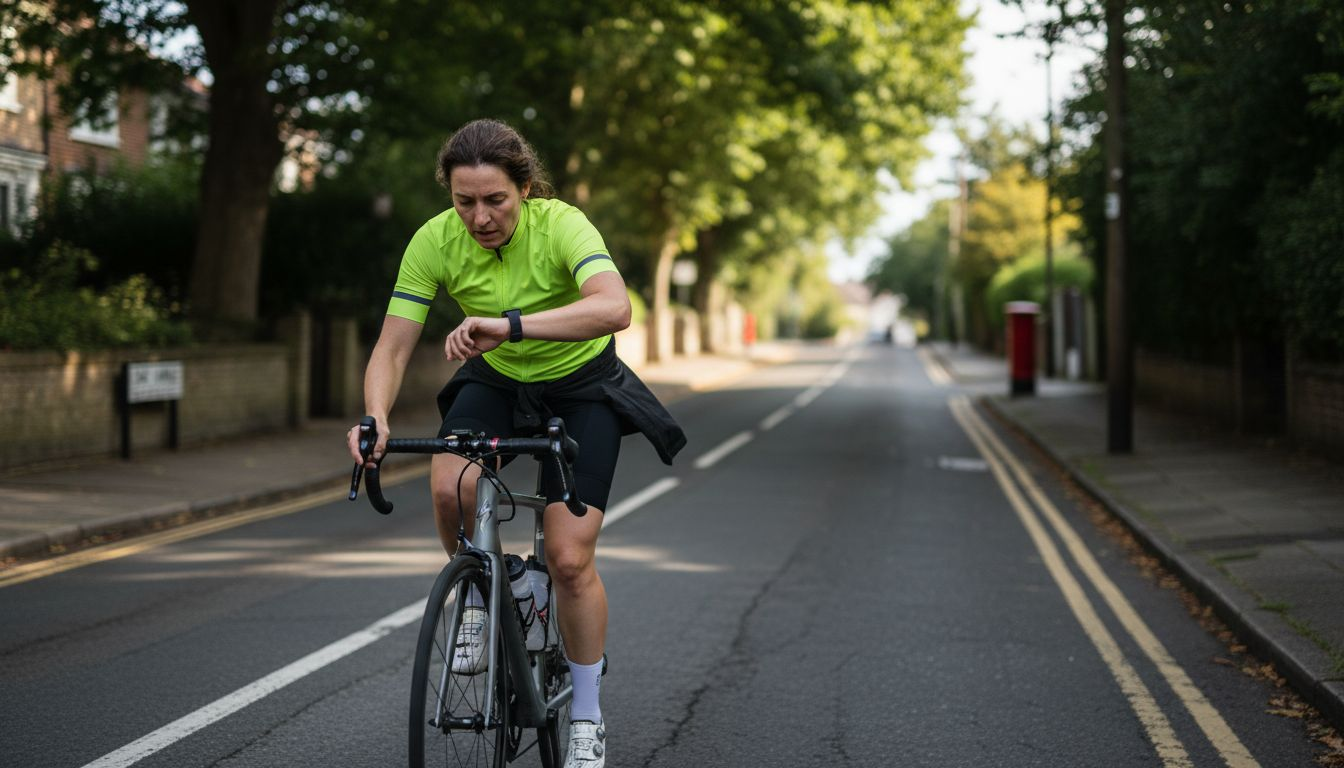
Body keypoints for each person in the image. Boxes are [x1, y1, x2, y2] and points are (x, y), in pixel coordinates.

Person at [346, 118, 685, 768]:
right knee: (449, 487)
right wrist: (376, 416)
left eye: (495, 200)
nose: (479, 217)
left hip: (581, 384)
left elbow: (614, 308)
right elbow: (392, 346)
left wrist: (512, 325)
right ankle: (483, 594)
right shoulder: (434, 241)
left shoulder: (562, 225)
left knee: (568, 558)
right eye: (464, 201)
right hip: (497, 379)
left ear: (525, 188)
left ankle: (586, 713)